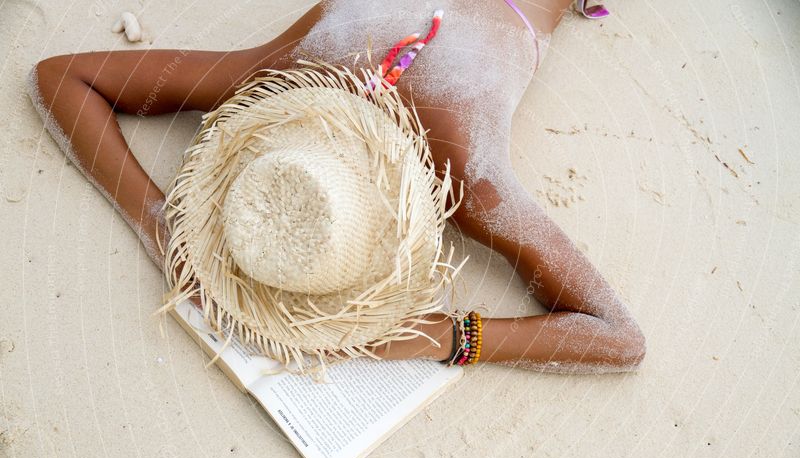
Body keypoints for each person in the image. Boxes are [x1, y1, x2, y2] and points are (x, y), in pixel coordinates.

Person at [28, 0, 645, 373]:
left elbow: (620, 339)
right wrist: (450, 337)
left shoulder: (463, 168)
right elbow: (615, 334)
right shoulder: (289, 68)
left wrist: (160, 222)